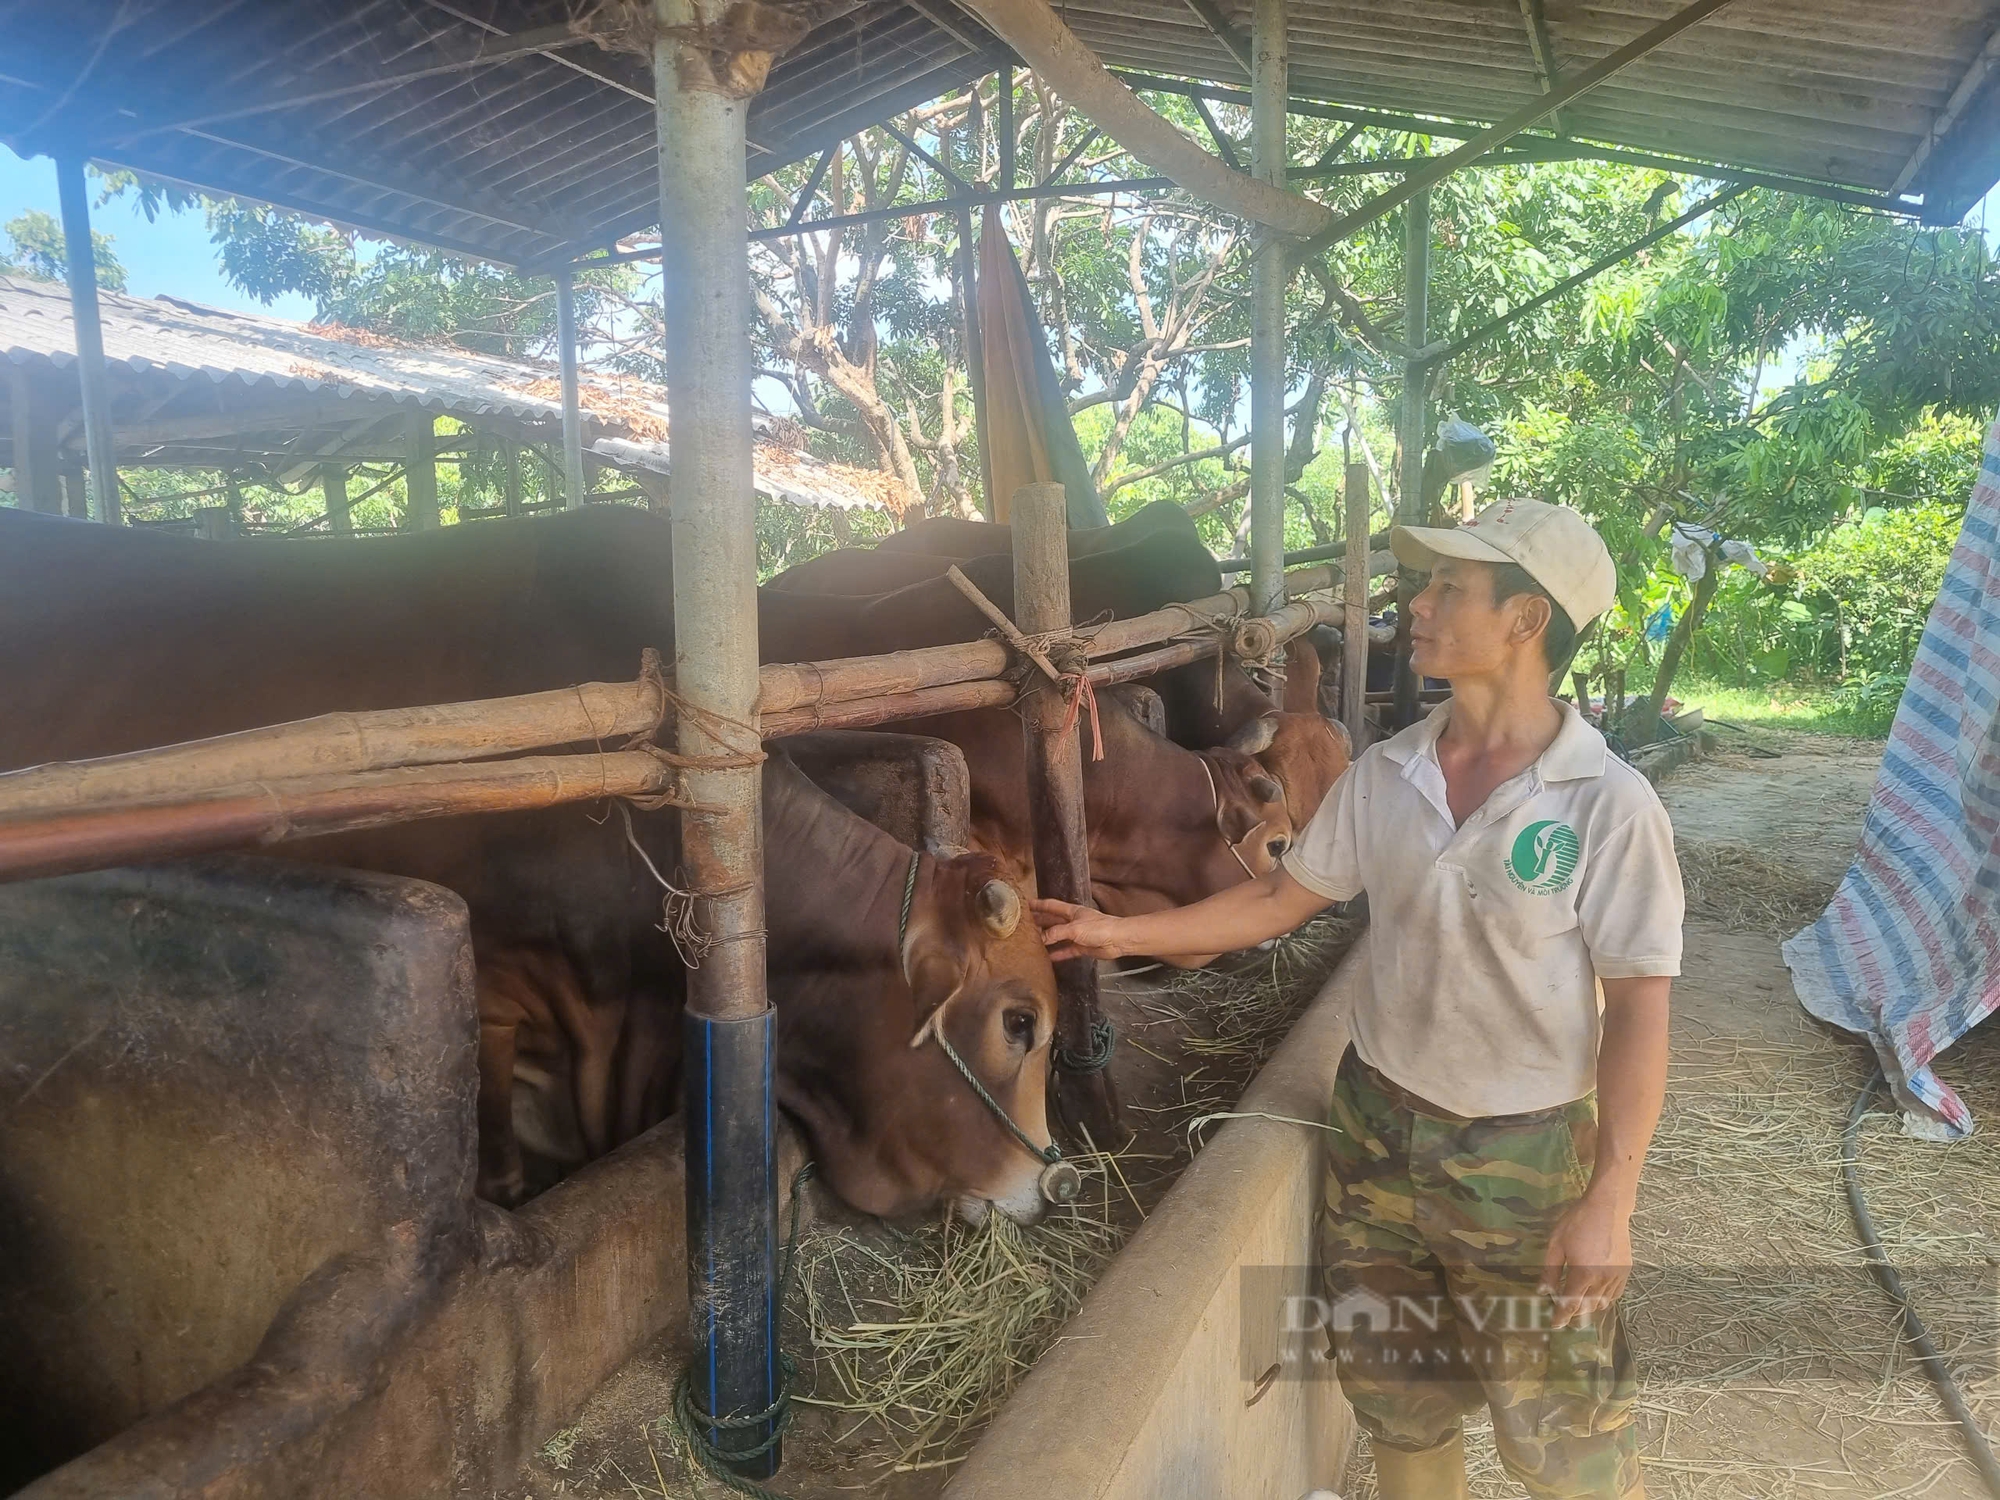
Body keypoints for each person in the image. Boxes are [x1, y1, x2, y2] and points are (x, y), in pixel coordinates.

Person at [1036, 499, 1682, 1500]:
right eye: (1421, 583)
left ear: (1525, 621)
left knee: (1563, 1430)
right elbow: (1277, 898)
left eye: (1446, 588)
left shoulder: (1606, 806)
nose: (1413, 605)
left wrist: (1610, 1199)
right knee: (1396, 1399)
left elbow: (1638, 1007)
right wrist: (1116, 932)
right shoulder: (1387, 772)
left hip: (1523, 1156)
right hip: (1373, 1130)